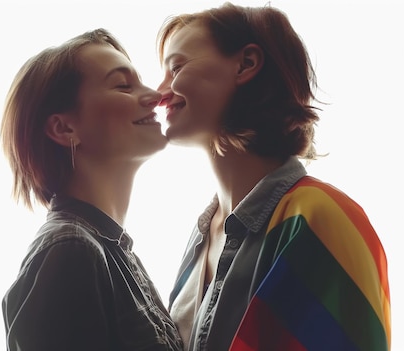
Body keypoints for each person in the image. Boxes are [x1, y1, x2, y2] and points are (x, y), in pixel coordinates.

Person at [155, 3, 390, 351]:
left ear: (246, 64)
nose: (159, 92)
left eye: (176, 67)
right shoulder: (203, 232)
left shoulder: (322, 219)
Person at [0, 28, 183, 351]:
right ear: (64, 128)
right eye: (123, 85)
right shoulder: (70, 250)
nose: (155, 96)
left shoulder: (110, 251)